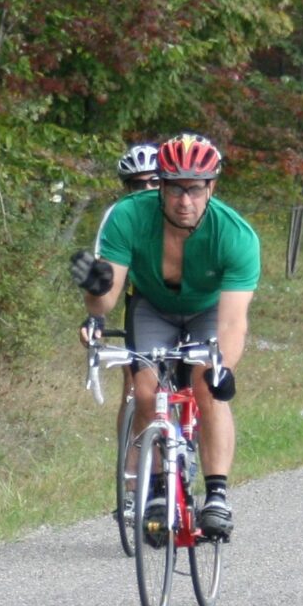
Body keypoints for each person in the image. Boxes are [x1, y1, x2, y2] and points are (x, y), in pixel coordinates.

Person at [69, 132, 258, 539]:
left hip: (208, 310)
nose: (183, 200)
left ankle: (218, 496)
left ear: (211, 187)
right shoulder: (129, 216)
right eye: (174, 188)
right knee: (144, 385)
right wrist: (94, 287)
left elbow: (233, 322)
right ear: (162, 186)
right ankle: (155, 488)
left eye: (194, 189)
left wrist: (223, 369)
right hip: (153, 305)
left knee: (207, 385)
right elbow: (103, 303)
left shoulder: (236, 235)